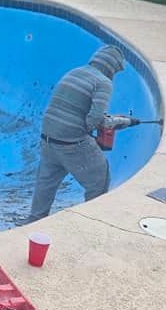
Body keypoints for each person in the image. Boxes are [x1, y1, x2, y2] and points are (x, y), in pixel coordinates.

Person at [27, 45, 125, 222]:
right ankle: (90, 222)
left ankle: (34, 219)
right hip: (72, 143)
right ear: (112, 67)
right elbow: (94, 118)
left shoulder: (75, 72)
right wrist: (113, 122)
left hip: (48, 137)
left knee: (46, 183)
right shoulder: (103, 82)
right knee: (99, 181)